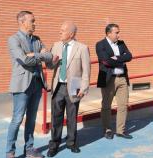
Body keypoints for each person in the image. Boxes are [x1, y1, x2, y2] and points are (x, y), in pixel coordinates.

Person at [6, 11, 53, 158]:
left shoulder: (37, 40)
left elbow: (50, 56)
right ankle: (10, 152)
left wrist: (34, 55)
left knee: (31, 118)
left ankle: (29, 149)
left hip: (37, 84)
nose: (35, 23)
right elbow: (24, 60)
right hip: (21, 85)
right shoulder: (13, 39)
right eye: (32, 21)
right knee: (17, 118)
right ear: (22, 22)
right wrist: (39, 56)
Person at [46, 21, 91, 157]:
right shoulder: (56, 46)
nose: (60, 32)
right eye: (60, 30)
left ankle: (71, 143)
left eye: (63, 30)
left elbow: (86, 71)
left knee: (72, 117)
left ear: (71, 34)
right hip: (58, 86)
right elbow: (49, 66)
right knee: (56, 117)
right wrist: (52, 62)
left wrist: (84, 88)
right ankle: (54, 144)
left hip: (74, 86)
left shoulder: (82, 48)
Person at [96, 23, 132, 140]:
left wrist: (116, 59)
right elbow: (105, 61)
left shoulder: (121, 43)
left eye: (118, 32)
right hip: (106, 77)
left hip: (122, 77)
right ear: (108, 33)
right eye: (116, 32)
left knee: (123, 105)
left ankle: (120, 131)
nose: (118, 34)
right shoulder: (100, 44)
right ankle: (107, 129)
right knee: (106, 105)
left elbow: (130, 56)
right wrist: (122, 60)